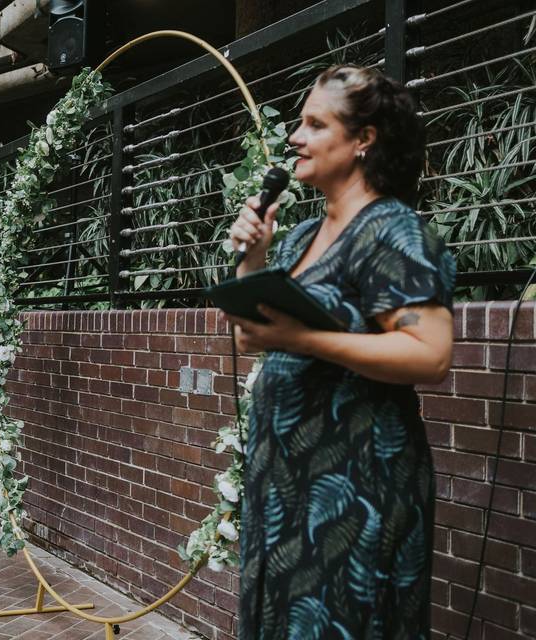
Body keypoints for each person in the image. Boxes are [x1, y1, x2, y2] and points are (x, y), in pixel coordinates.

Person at [225, 65, 455, 638]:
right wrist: (253, 261)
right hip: (285, 490)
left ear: (362, 140)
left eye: (314, 124)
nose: (295, 138)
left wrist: (301, 340)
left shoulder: (390, 231)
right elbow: (251, 338)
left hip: (355, 494)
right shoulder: (301, 237)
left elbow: (431, 354)